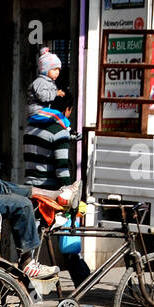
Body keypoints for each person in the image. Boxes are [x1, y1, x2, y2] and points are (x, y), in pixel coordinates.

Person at [23, 99, 89, 286]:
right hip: (49, 195)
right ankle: (81, 281)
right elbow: (62, 170)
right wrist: (71, 193)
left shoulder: (30, 128)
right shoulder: (58, 131)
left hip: (30, 191)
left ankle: (33, 287)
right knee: (69, 231)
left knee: (34, 245)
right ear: (67, 110)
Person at [27, 48, 65, 117]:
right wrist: (56, 93)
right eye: (54, 69)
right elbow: (42, 96)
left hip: (43, 110)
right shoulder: (40, 81)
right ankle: (66, 127)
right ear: (45, 70)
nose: (57, 72)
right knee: (58, 116)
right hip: (37, 111)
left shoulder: (49, 81)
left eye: (58, 70)